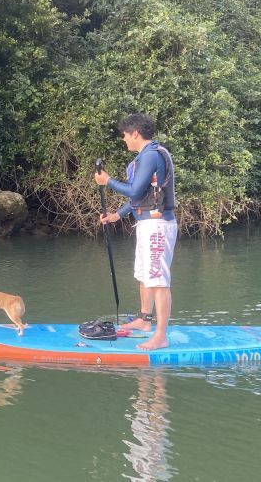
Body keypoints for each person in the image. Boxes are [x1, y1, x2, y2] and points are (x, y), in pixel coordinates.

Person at [94, 114, 177, 350]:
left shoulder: (151, 155)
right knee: (144, 275)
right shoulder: (147, 156)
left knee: (158, 281)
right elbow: (141, 197)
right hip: (145, 224)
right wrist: (116, 216)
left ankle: (161, 335)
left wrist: (107, 180)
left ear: (135, 134)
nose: (123, 140)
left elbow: (134, 190)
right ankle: (144, 320)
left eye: (124, 135)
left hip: (158, 226)